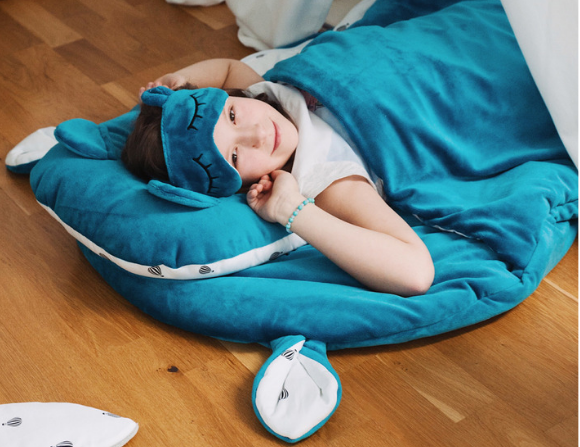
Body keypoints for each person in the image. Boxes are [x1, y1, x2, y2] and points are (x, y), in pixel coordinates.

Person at [122, 57, 434, 296]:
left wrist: (181, 79)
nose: (258, 134)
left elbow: (229, 68)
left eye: (232, 115)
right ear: (237, 185)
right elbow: (415, 273)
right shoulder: (327, 179)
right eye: (234, 156)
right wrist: (292, 209)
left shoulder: (260, 96)